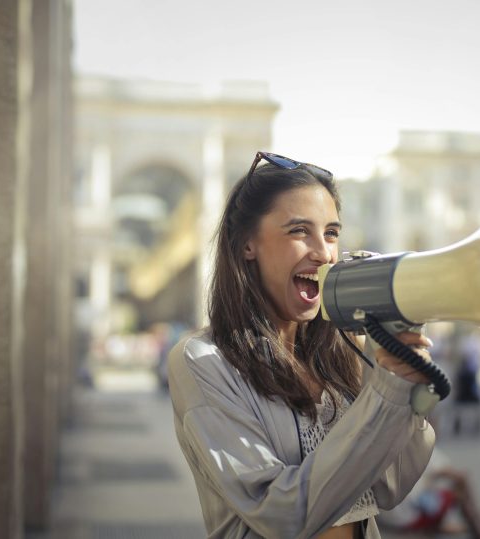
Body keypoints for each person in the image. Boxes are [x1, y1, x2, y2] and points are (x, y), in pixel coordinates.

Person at [165, 151, 440, 539]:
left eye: (330, 233)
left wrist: (404, 388)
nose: (323, 252)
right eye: (298, 231)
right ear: (247, 244)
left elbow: (388, 486)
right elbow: (280, 514)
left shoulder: (346, 350)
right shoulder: (203, 361)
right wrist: (383, 394)